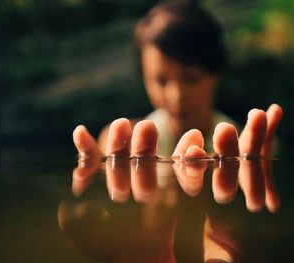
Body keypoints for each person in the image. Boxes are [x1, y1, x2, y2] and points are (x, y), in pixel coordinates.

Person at [73, 1, 283, 161]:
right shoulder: (119, 142)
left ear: (216, 71)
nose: (177, 95)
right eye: (161, 81)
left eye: (191, 79)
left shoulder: (253, 147)